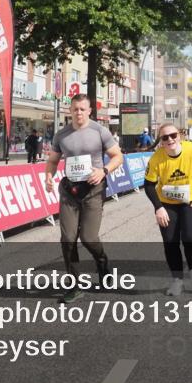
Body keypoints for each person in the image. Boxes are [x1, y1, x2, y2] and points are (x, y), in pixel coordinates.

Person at [45, 94, 124, 304]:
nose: (78, 113)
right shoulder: (61, 135)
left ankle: (102, 263)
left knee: (88, 237)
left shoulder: (100, 131)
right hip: (70, 191)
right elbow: (53, 161)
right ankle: (74, 285)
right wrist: (48, 177)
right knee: (68, 239)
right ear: (69, 110)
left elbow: (118, 156)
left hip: (93, 189)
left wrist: (103, 171)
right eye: (75, 109)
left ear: (89, 111)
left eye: (82, 109)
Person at [144, 123, 192, 296]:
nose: (170, 140)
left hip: (190, 202)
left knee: (191, 237)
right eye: (165, 137)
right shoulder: (156, 158)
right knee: (170, 241)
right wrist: (158, 208)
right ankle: (177, 280)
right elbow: (149, 185)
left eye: (173, 135)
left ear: (180, 135)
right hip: (167, 204)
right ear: (161, 141)